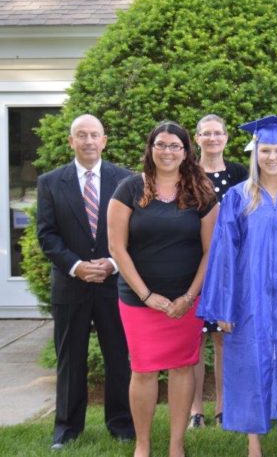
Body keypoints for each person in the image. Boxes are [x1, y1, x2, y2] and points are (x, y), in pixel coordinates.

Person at [198, 115, 277, 457]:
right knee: (249, 362)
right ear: (256, 153)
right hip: (248, 296)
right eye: (265, 150)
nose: (272, 157)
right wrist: (223, 305)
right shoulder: (239, 197)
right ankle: (253, 443)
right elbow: (224, 253)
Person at [107, 121, 218, 457]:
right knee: (143, 369)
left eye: (175, 146)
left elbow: (212, 251)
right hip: (139, 301)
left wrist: (188, 297)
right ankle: (143, 445)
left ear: (186, 152)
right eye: (161, 144)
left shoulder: (201, 192)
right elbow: (117, 248)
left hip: (185, 301)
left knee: (183, 367)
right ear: (151, 148)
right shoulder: (128, 189)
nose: (168, 152)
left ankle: (176, 445)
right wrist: (146, 295)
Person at [36, 114, 134, 449]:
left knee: (118, 356)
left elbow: (134, 231)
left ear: (104, 140)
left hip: (113, 283)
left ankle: (121, 424)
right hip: (70, 284)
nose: (89, 141)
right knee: (70, 356)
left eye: (94, 135)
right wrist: (76, 266)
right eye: (82, 135)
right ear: (71, 141)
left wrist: (112, 262)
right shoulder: (50, 182)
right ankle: (67, 428)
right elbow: (47, 235)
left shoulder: (126, 180)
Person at [189, 113, 248, 429]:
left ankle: (223, 407)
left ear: (226, 138)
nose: (212, 139)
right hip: (193, 267)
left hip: (231, 268)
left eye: (218, 133)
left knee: (225, 338)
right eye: (206, 133)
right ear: (197, 138)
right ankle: (196, 409)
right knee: (194, 340)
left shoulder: (240, 174)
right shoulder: (186, 174)